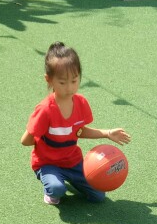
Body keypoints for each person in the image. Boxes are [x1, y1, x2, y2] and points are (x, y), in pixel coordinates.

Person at [21, 42, 131, 205]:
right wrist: (43, 138)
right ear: (49, 80)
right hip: (47, 163)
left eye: (74, 80)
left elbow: (79, 131)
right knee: (57, 189)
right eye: (62, 82)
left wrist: (107, 133)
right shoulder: (45, 110)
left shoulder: (81, 103)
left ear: (80, 76)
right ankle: (51, 185)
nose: (69, 87)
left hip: (72, 162)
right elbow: (25, 141)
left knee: (98, 196)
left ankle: (67, 178)